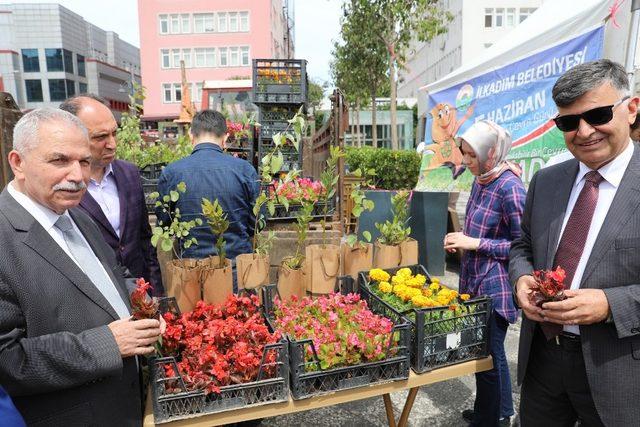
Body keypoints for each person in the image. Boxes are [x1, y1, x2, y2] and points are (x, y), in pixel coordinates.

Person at [0, 108, 162, 426]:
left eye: (84, 162)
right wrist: (109, 344)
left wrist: (144, 306)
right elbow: (7, 359)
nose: (77, 176)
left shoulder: (76, 216)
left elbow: (116, 274)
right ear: (18, 163)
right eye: (60, 161)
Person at [509, 59, 640, 427]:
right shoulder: (546, 182)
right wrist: (521, 280)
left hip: (619, 371)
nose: (583, 132)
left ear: (631, 109)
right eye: (568, 122)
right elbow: (523, 246)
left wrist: (610, 304)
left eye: (597, 114)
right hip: (544, 362)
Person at [444, 120, 525, 426]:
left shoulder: (510, 187)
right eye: (464, 153)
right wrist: (460, 239)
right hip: (475, 280)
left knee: (489, 356)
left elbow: (522, 247)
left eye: (471, 155)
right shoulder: (481, 179)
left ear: (491, 152)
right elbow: (479, 230)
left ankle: (492, 418)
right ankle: (496, 410)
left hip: (497, 285)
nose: (465, 161)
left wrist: (474, 242)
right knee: (486, 352)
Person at [60, 94, 164, 295]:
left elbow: (144, 241)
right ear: (72, 135)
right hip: (96, 298)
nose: (112, 144)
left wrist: (156, 293)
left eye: (114, 133)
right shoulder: (62, 187)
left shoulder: (129, 174)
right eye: (100, 137)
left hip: (141, 294)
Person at [157, 109, 259, 286]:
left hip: (191, 272)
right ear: (225, 137)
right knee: (239, 312)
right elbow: (257, 221)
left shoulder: (172, 172)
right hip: (237, 270)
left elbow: (166, 223)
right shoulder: (244, 170)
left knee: (195, 314)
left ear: (191, 135)